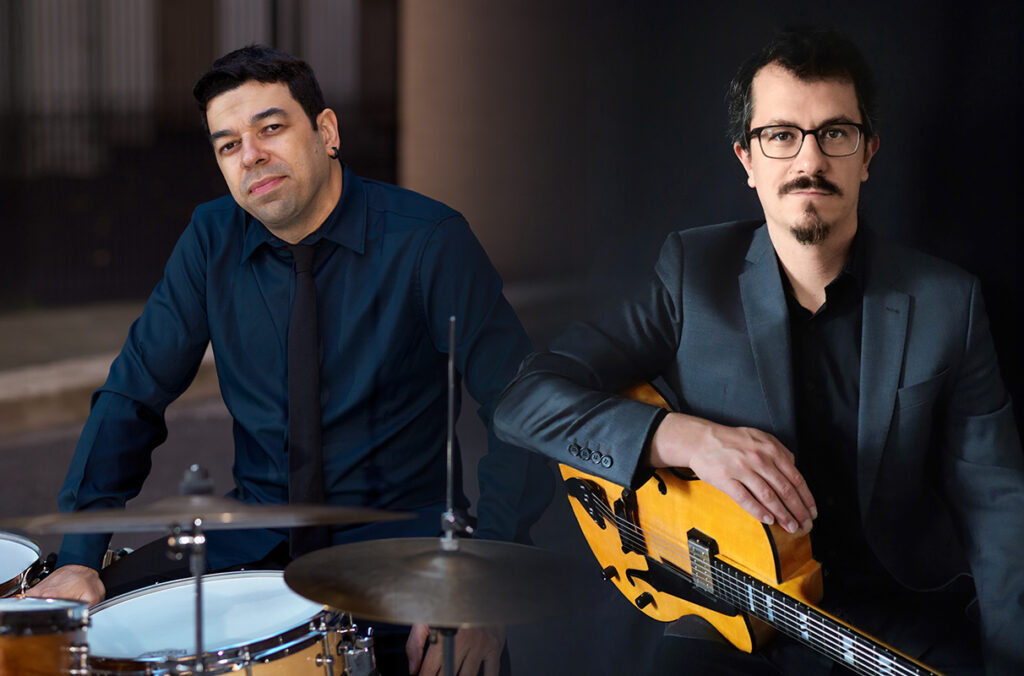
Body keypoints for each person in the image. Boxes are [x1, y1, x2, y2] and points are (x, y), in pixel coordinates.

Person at [493, 27, 1023, 675]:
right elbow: (525, 402)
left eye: (836, 133)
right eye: (781, 136)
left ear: (868, 153)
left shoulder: (949, 302)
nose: (810, 161)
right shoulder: (692, 272)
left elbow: (1001, 510)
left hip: (891, 612)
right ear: (747, 160)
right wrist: (685, 440)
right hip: (729, 612)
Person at [27, 45, 553, 676]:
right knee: (79, 644)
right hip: (251, 535)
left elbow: (525, 408)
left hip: (400, 543)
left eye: (270, 128)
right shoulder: (210, 239)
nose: (250, 154)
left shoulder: (429, 242)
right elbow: (133, 395)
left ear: (325, 133)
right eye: (227, 144)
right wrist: (81, 555)